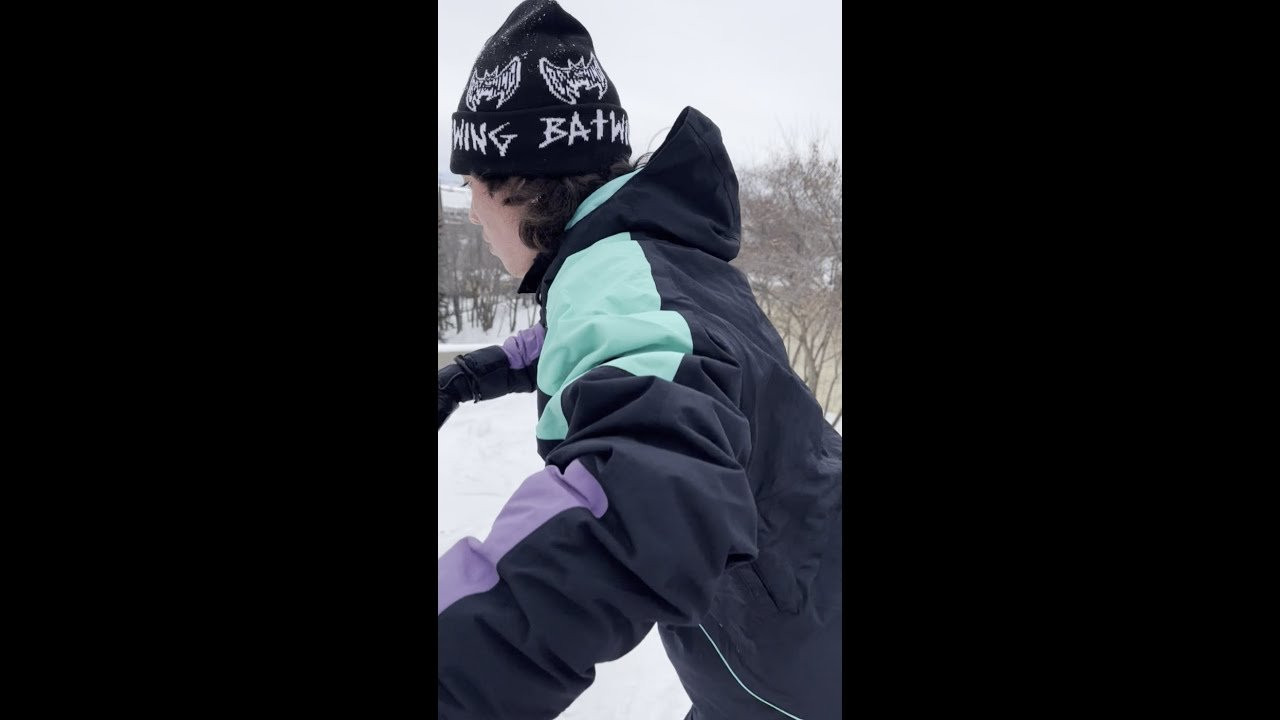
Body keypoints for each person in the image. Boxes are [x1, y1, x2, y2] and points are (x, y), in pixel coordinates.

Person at [437, 2, 842, 718]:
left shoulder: (616, 277)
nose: (470, 211)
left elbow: (647, 478)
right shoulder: (646, 256)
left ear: (517, 183)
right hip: (785, 610)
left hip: (795, 671)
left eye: (470, 184)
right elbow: (607, 341)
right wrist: (479, 372)